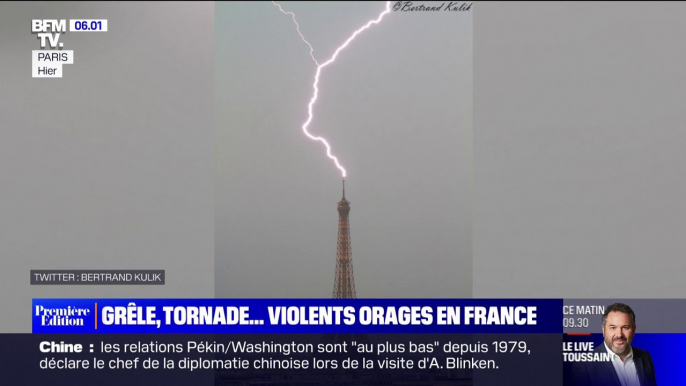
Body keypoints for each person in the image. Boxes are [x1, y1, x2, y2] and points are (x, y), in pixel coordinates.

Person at [570, 303, 656, 386]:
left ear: (634, 330)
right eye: (613, 328)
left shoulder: (645, 357)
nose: (619, 334)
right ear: (603, 330)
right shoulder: (584, 364)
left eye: (625, 327)